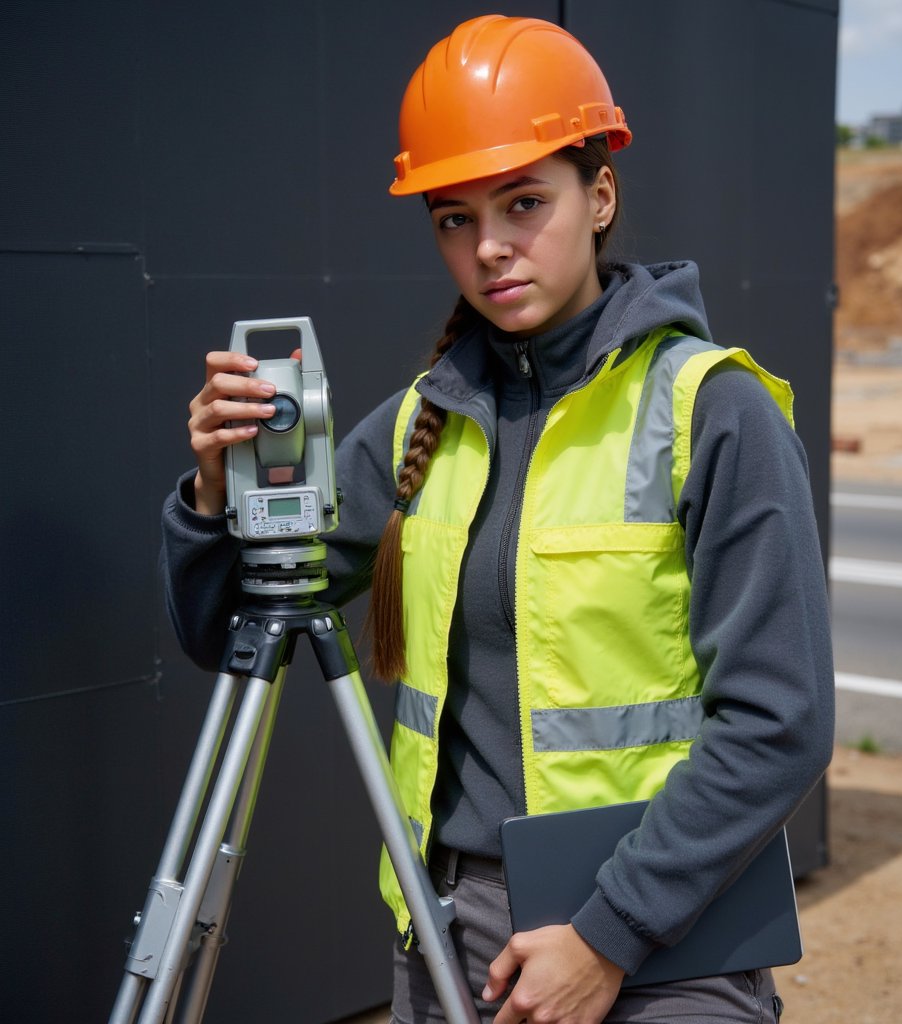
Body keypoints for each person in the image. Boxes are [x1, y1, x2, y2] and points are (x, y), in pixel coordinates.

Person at [162, 14, 834, 1024]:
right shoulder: (418, 427)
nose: (489, 248)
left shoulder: (709, 408)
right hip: (454, 930)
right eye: (451, 217)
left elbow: (780, 720)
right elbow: (231, 629)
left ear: (598, 194)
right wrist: (216, 494)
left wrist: (608, 934)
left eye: (524, 203)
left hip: (669, 936)